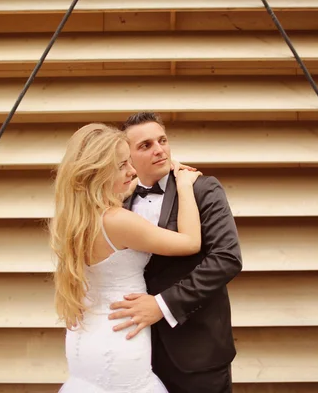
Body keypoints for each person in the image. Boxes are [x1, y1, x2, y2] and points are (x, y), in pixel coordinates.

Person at [50, 122, 204, 393]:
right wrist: (185, 185)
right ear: (98, 172)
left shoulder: (72, 220)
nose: (132, 171)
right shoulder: (118, 221)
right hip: (120, 339)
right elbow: (191, 242)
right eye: (122, 165)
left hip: (83, 341)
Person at [108, 112, 243, 393]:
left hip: (197, 350)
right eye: (145, 145)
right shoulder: (117, 200)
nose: (159, 149)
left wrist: (162, 305)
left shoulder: (203, 188)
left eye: (162, 140)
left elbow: (226, 259)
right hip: (136, 350)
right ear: (127, 156)